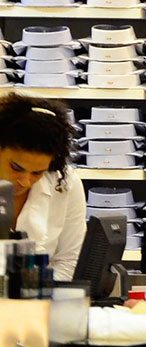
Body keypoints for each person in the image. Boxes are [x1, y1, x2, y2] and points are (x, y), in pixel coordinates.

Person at [0, 93, 85, 281]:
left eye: (37, 173)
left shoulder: (65, 183)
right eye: (16, 168)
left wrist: (36, 296)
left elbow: (69, 261)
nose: (25, 181)